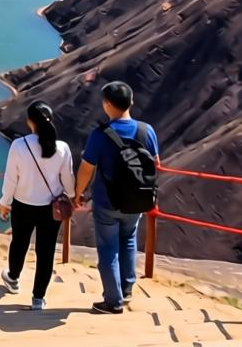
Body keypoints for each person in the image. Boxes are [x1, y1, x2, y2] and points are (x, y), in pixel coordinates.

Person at [74, 81, 160, 315]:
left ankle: (113, 301)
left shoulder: (100, 135)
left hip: (107, 203)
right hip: (137, 201)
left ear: (107, 105)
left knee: (108, 249)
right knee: (129, 240)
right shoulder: (146, 130)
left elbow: (86, 169)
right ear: (131, 102)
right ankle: (127, 288)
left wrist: (77, 193)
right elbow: (155, 164)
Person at [0, 101, 75, 311]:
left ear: (29, 122)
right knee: (46, 251)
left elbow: (11, 179)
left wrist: (5, 203)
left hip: (23, 205)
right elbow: (68, 179)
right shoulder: (63, 148)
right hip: (51, 208)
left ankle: (13, 278)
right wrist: (73, 196)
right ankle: (38, 298)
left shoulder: (19, 145)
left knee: (19, 244)